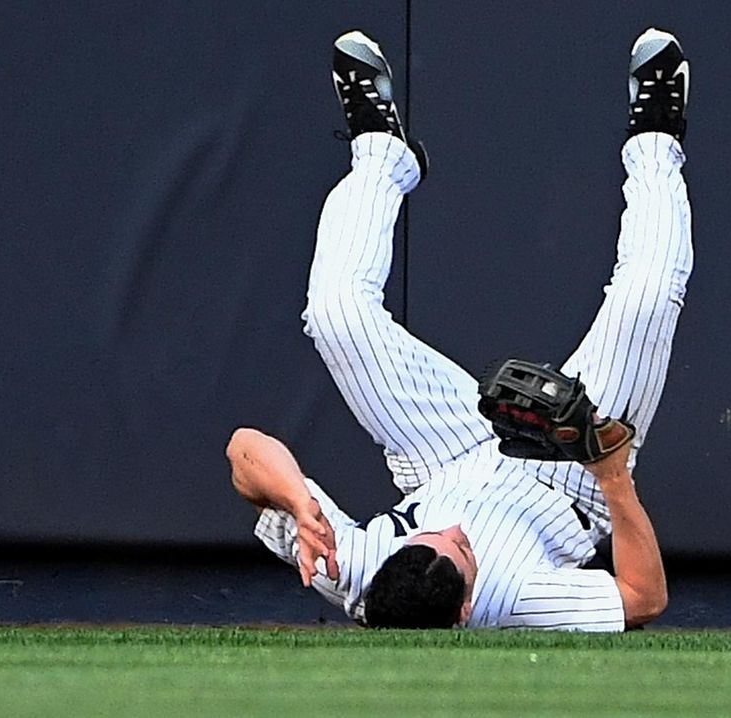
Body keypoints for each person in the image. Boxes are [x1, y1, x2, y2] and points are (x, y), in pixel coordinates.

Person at [227, 26, 692, 631]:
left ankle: (381, 153)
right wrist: (612, 473)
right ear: (467, 609)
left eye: (428, 539)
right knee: (647, 299)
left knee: (338, 311)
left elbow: (243, 450)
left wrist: (295, 499)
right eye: (461, 551)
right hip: (570, 476)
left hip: (441, 455)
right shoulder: (513, 604)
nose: (453, 531)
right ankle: (657, 138)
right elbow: (643, 598)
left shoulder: (355, 569)